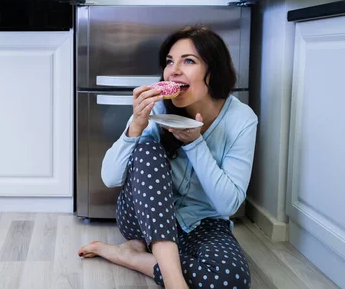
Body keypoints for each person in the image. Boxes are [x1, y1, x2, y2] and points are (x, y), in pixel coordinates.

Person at [78, 26, 258, 289]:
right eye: (169, 62)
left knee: (232, 280)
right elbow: (110, 178)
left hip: (203, 223)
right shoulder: (158, 109)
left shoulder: (241, 120)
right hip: (142, 219)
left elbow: (228, 205)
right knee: (147, 149)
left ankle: (129, 256)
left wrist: (195, 143)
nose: (174, 70)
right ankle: (175, 281)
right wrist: (135, 128)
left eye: (188, 61)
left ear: (214, 70)